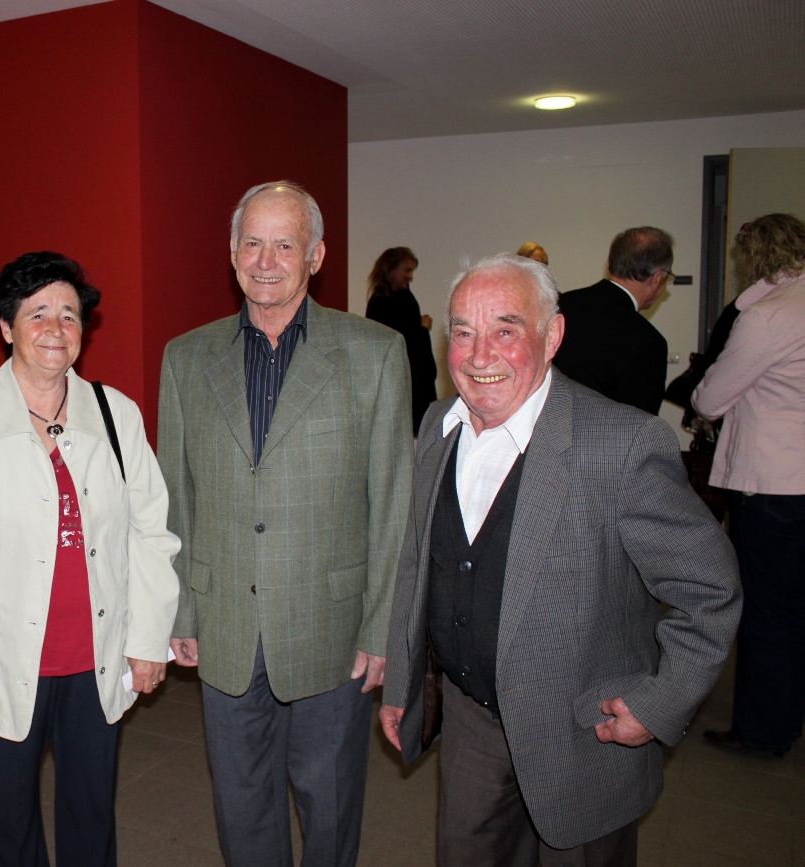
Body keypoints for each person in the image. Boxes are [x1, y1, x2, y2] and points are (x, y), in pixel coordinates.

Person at [378, 252, 740, 867]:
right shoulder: (439, 425)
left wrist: (660, 701)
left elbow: (710, 589)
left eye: (506, 330)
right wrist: (403, 683)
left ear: (552, 337)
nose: (479, 355)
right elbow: (419, 565)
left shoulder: (621, 444)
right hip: (471, 724)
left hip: (583, 734)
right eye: (462, 332)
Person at [159, 182, 414, 867]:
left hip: (332, 627)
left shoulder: (374, 352)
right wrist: (181, 607)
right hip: (225, 623)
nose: (265, 261)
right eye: (252, 243)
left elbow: (393, 500)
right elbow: (176, 497)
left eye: (284, 244)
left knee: (328, 802)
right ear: (232, 251)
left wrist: (382, 627)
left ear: (316, 255)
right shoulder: (186, 357)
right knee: (241, 803)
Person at [0, 251, 180, 867]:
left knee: (91, 815)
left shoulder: (115, 415)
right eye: (37, 314)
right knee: (9, 822)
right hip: (1, 661)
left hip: (95, 655)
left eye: (69, 314)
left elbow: (150, 534)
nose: (56, 328)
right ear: (6, 327)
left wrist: (147, 639)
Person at [694, 213, 805, 759]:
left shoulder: (768, 316)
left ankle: (762, 731)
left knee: (765, 610)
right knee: (797, 605)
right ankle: (789, 711)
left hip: (773, 481)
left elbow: (711, 398)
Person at [554, 227, 674, 414]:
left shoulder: (560, 305)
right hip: (601, 432)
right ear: (657, 278)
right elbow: (640, 423)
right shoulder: (648, 341)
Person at [366, 246, 437, 434]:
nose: (410, 276)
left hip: (414, 382)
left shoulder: (404, 296)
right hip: (402, 384)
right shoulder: (380, 303)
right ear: (390, 269)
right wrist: (422, 328)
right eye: (407, 270)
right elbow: (397, 341)